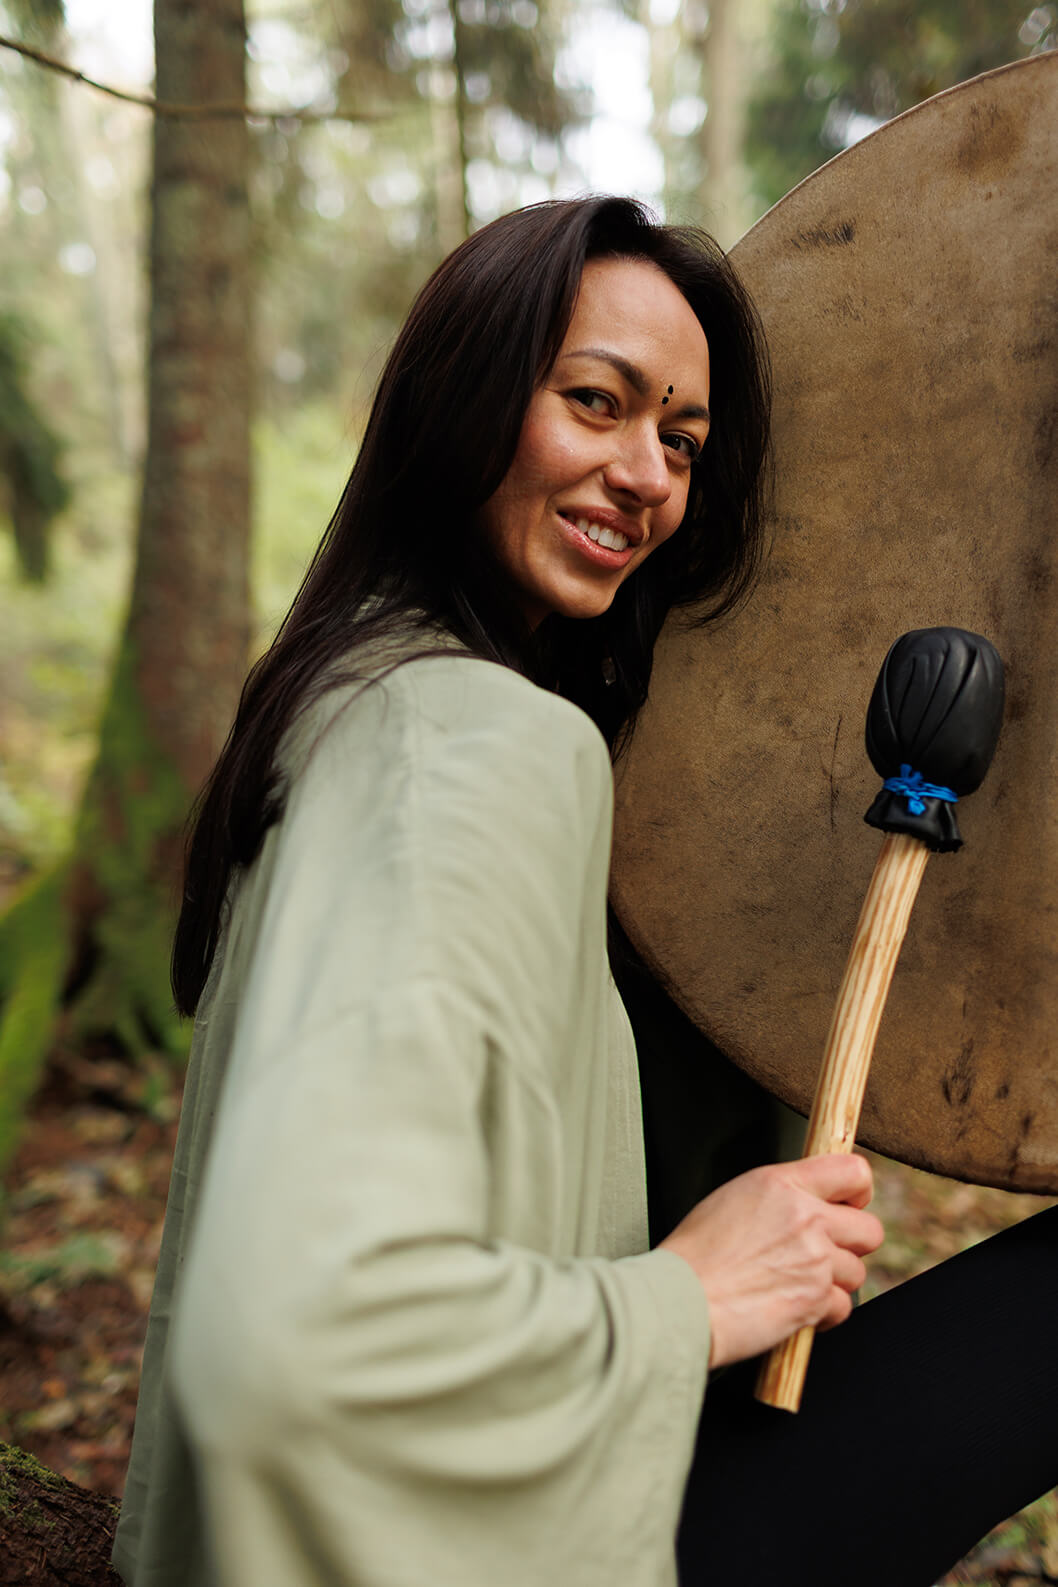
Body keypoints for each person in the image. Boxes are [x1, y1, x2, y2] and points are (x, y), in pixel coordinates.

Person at [112, 196, 1058, 1587]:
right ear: (463, 396)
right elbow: (294, 1340)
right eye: (594, 402)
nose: (647, 477)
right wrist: (693, 1294)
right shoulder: (473, 740)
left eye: (679, 442)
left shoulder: (340, 696)